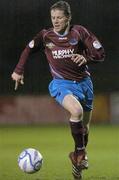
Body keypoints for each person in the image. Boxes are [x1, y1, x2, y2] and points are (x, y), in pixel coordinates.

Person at [11, 1, 105, 179]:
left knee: (84, 130)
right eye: (53, 17)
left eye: (59, 17)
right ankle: (79, 154)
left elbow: (100, 54)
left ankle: (77, 160)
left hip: (85, 84)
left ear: (68, 18)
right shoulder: (46, 36)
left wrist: (85, 58)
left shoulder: (79, 32)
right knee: (75, 111)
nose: (55, 21)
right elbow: (28, 49)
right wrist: (18, 70)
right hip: (61, 84)